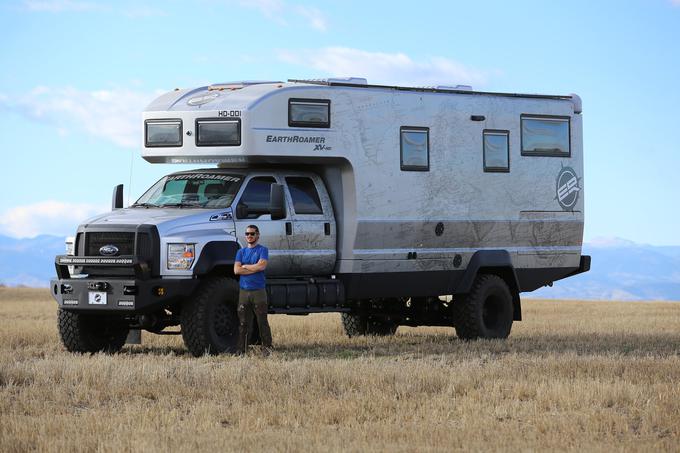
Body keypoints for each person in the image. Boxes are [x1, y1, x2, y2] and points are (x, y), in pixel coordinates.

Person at [233, 225, 273, 355]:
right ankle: (242, 350)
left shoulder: (263, 250)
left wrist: (245, 266)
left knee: (262, 321)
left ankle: (267, 348)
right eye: (247, 234)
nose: (249, 236)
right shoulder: (241, 252)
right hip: (244, 292)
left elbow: (262, 266)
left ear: (258, 235)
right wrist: (253, 267)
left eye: (252, 234)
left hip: (258, 292)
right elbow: (236, 270)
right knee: (244, 323)